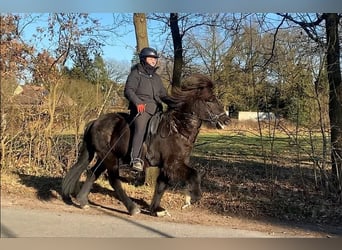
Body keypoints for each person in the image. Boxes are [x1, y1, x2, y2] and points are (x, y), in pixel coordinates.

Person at [124, 47, 170, 172]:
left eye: (155, 58)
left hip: (157, 110)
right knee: (141, 130)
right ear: (144, 59)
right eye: (151, 58)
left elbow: (163, 95)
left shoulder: (156, 78)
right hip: (141, 109)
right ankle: (136, 159)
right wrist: (138, 102)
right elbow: (128, 91)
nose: (154, 60)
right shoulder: (136, 73)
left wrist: (175, 102)